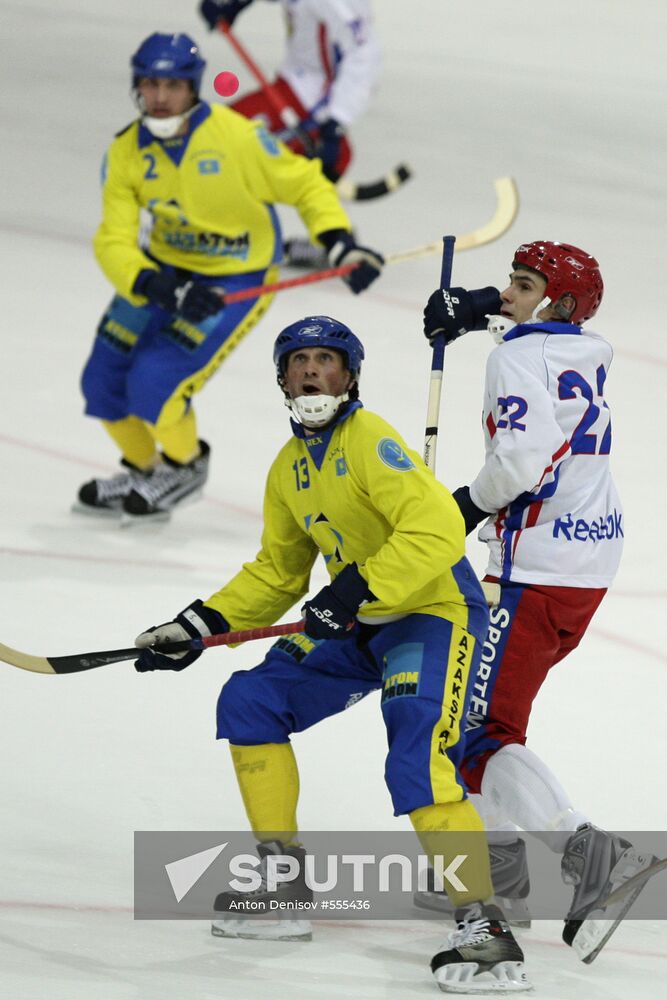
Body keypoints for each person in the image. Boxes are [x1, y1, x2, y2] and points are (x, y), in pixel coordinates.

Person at [132, 315, 531, 993]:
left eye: (326, 360)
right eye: (299, 361)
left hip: (430, 614)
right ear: (282, 379)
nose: (312, 370)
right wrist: (197, 625)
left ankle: (484, 926)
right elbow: (278, 571)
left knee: (416, 755)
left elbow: (437, 527)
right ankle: (282, 882)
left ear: (349, 376)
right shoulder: (288, 468)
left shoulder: (370, 439)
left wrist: (353, 589)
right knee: (251, 699)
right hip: (357, 623)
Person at [420, 241, 655, 959]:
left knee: (475, 731)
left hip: (535, 566)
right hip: (587, 559)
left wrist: (467, 504)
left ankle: (593, 856)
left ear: (556, 302)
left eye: (521, 285)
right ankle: (500, 874)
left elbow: (521, 456)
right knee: (486, 718)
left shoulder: (517, 358)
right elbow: (538, 341)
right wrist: (482, 310)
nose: (506, 294)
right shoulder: (585, 349)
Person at [76, 32, 383, 522]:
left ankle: (184, 466)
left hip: (234, 278)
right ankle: (142, 468)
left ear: (192, 87)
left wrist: (338, 240)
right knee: (101, 381)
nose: (160, 96)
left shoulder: (236, 137)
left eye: (172, 86)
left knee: (156, 380)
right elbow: (112, 238)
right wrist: (152, 283)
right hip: (162, 276)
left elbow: (305, 183)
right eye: (150, 84)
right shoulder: (125, 152)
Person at [199, 0, 381, 266]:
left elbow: (364, 51)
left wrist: (337, 120)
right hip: (295, 80)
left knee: (217, 138)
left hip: (312, 95)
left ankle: (204, 235)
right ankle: (330, 238)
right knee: (217, 133)